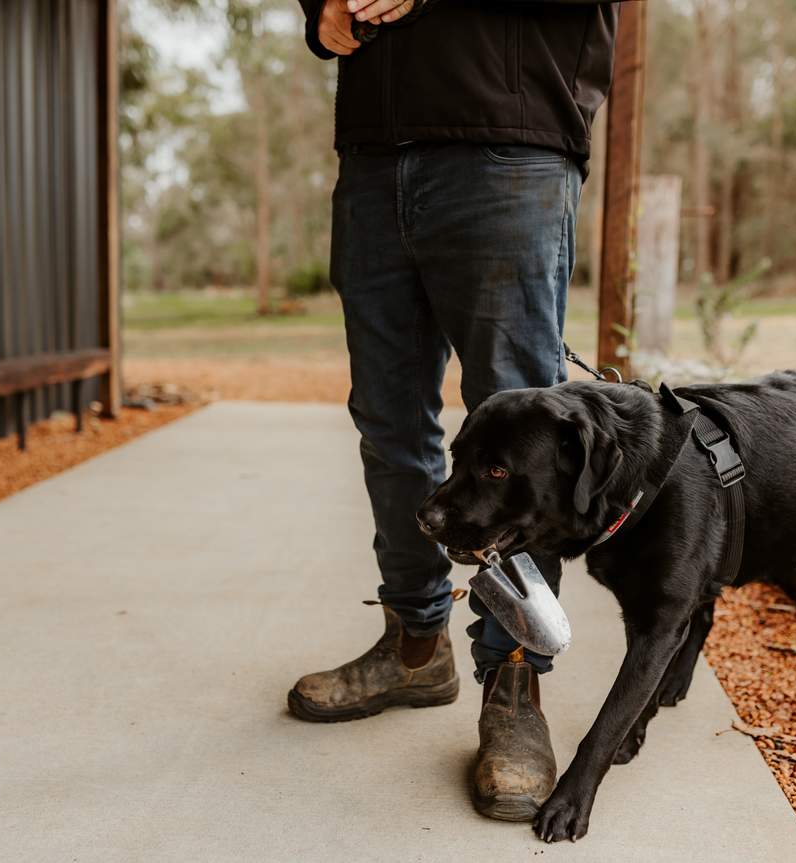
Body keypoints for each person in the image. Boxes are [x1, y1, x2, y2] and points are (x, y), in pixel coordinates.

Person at [287, 0, 621, 822]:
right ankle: (413, 643)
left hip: (507, 147)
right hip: (373, 155)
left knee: (520, 443)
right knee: (387, 422)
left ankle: (514, 681)